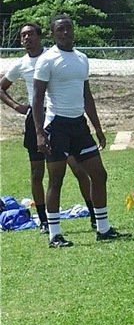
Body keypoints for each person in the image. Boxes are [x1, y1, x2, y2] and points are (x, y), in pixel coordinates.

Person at [31, 13, 128, 246]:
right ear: (53, 33)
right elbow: (37, 99)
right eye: (60, 29)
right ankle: (55, 234)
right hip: (57, 125)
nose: (65, 33)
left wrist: (98, 128)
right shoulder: (47, 60)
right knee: (57, 179)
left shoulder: (82, 58)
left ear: (73, 30)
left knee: (99, 174)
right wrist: (40, 133)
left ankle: (103, 228)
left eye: (68, 28)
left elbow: (87, 95)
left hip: (79, 126)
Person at [1, 21, 97, 236]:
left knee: (78, 169)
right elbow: (2, 87)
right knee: (37, 173)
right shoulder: (21, 64)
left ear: (40, 36)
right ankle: (45, 222)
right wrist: (18, 107)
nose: (26, 38)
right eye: (23, 35)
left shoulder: (51, 57)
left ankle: (94, 214)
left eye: (30, 34)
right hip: (35, 120)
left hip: (58, 119)